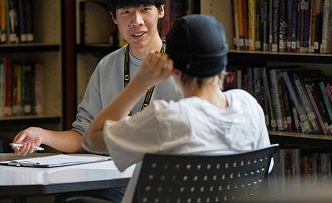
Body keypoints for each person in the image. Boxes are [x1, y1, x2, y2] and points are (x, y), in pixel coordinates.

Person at [11, 0, 183, 202]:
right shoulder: (108, 66)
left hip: (161, 180)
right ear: (113, 18)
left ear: (161, 10)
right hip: (113, 176)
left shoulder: (182, 66)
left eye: (145, 9)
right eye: (126, 12)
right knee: (68, 195)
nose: (137, 21)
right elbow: (83, 136)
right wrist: (41, 135)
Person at [81, 14, 271, 203]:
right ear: (223, 62)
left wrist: (140, 83)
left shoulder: (167, 119)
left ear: (174, 68)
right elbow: (266, 168)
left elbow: (91, 140)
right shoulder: (249, 106)